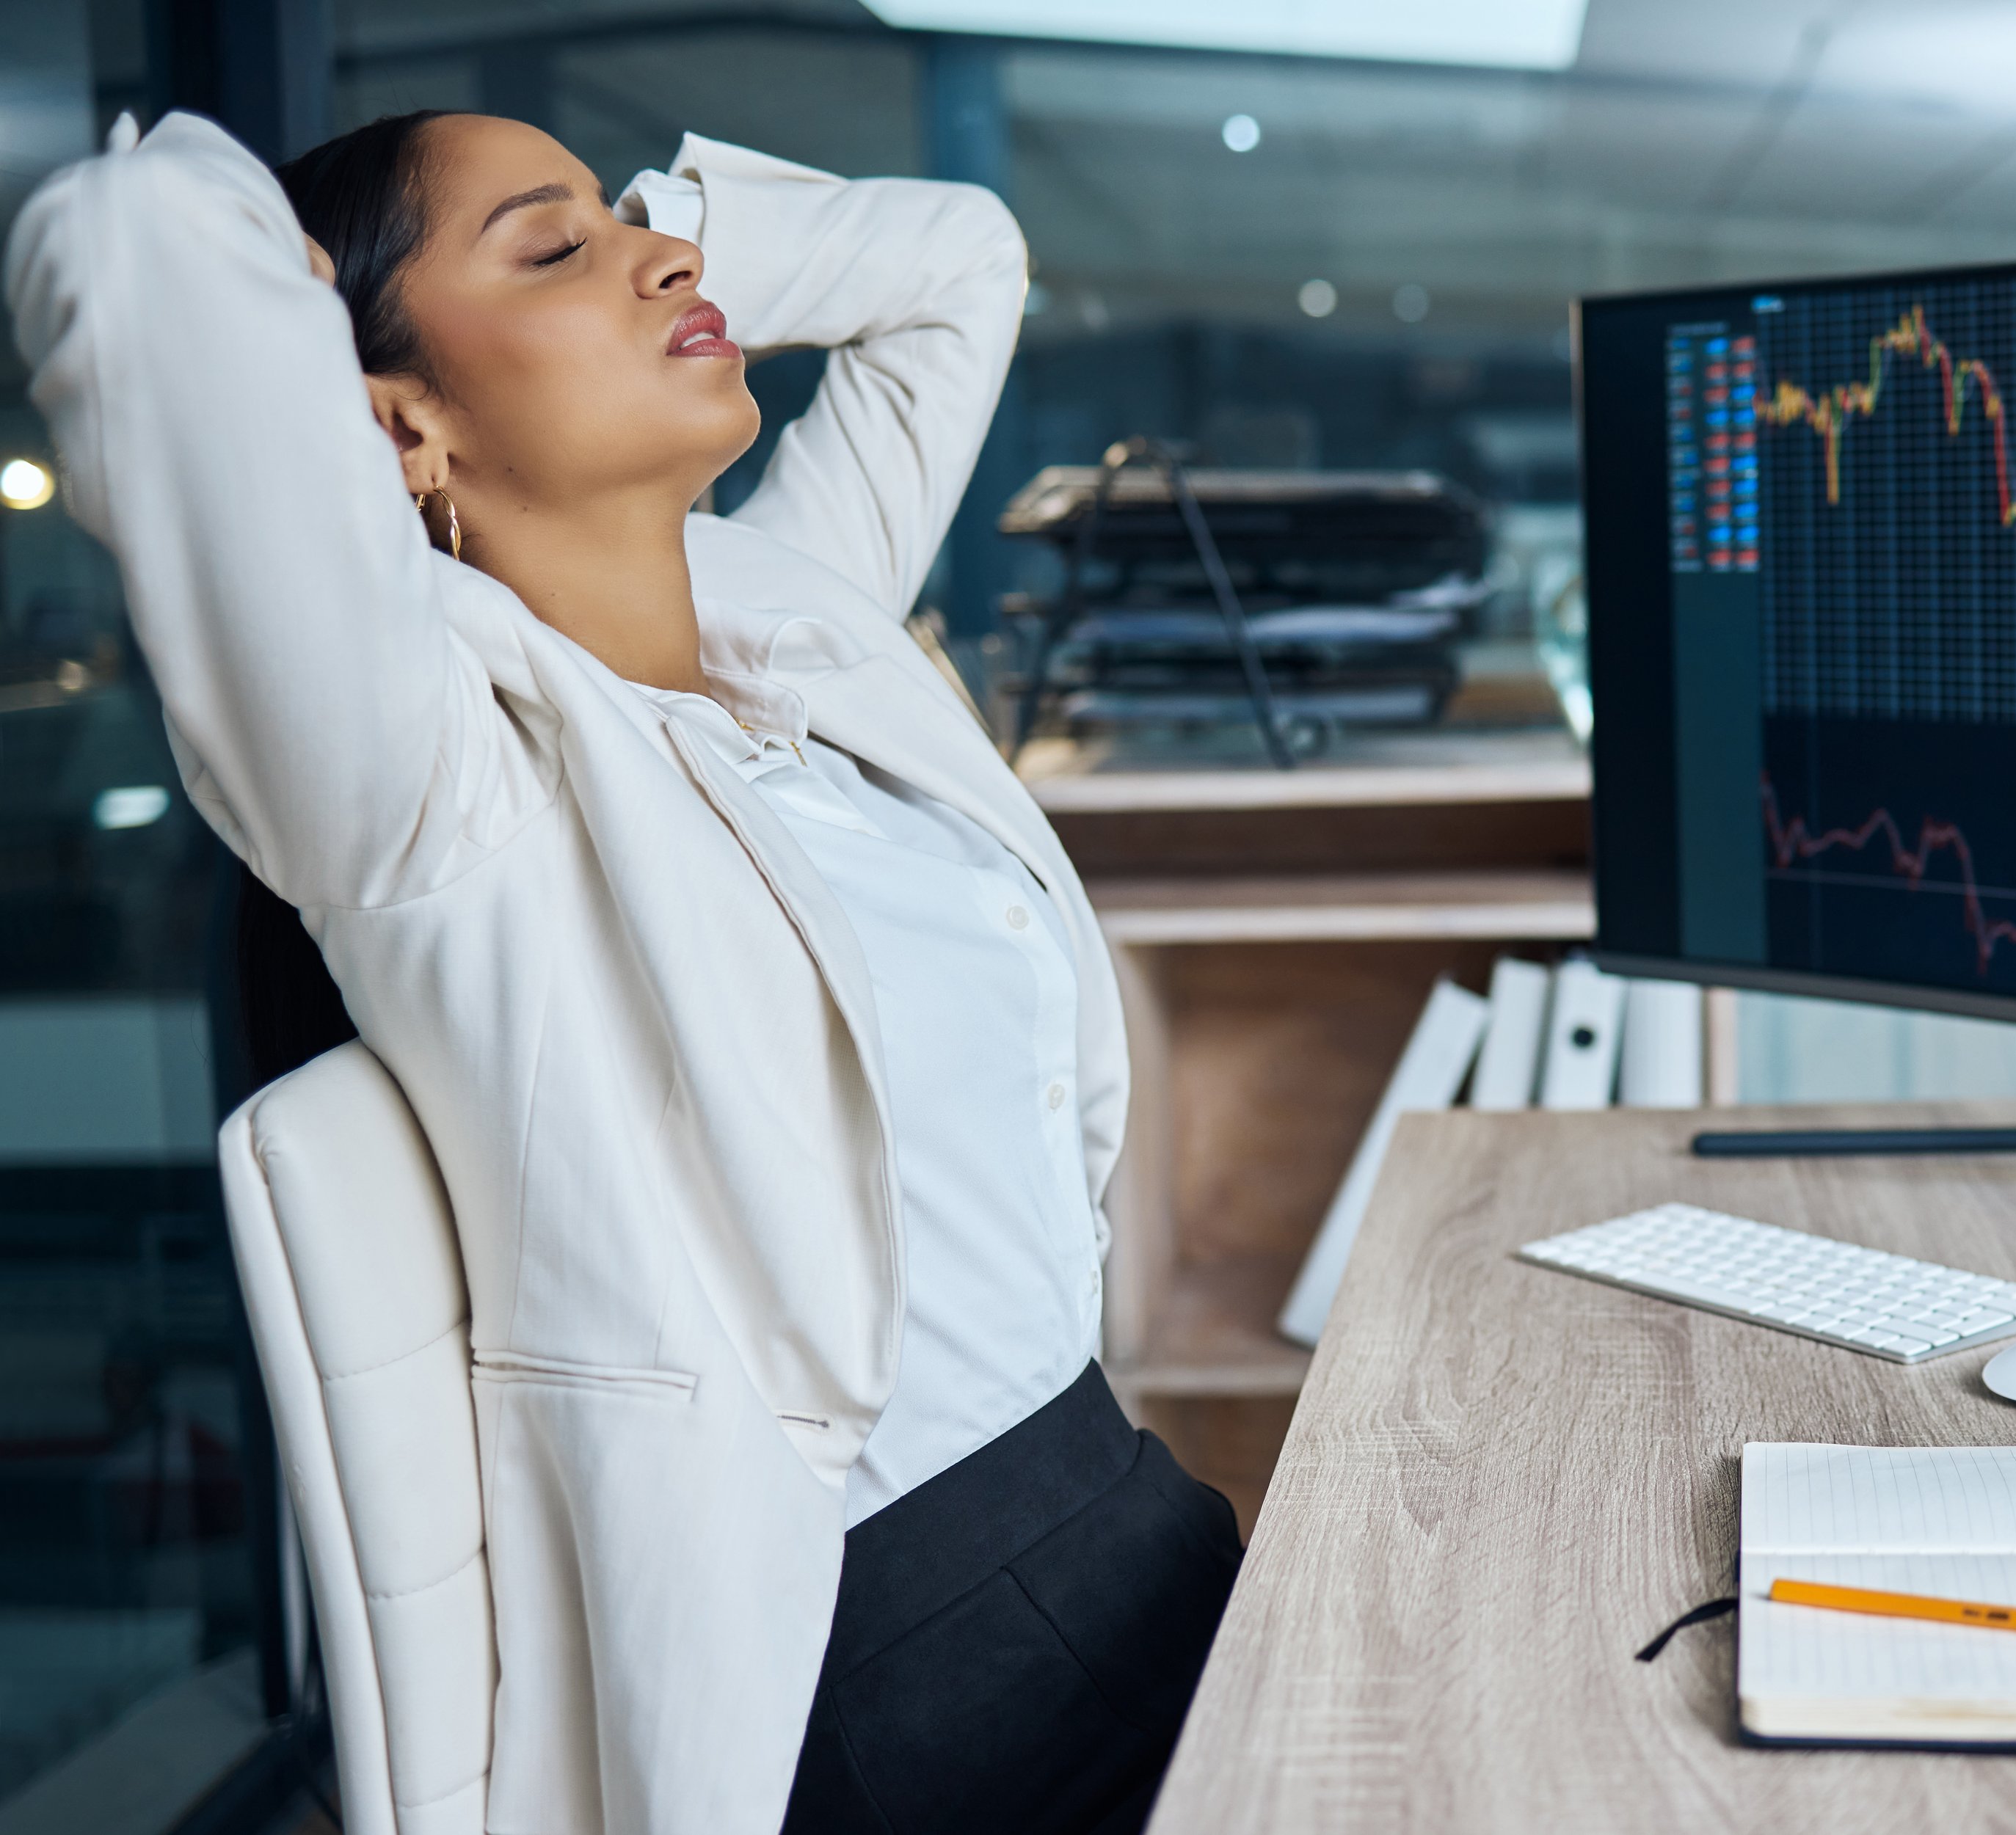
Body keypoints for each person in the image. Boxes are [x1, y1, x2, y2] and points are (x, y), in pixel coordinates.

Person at [5, 108, 1240, 1835]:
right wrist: (288, 324)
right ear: (396, 421)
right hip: (926, 1690)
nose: (666, 260)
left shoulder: (787, 623)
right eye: (549, 247)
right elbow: (135, 254)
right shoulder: (437, 794)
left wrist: (638, 229)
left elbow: (958, 262)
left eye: (631, 225)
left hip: (1133, 1522)